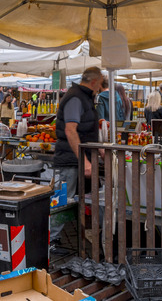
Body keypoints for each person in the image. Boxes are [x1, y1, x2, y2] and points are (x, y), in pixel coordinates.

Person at [51, 66, 103, 243]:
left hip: (77, 159)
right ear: (94, 81)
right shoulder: (76, 97)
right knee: (61, 200)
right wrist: (85, 161)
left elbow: (85, 131)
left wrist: (100, 150)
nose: (101, 87)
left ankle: (74, 234)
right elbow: (70, 131)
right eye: (101, 83)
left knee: (72, 198)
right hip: (70, 160)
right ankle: (51, 241)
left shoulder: (84, 97)